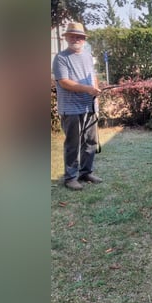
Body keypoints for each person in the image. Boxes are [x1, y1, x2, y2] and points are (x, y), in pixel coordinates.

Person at [52, 22, 102, 190]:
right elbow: (64, 82)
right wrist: (87, 89)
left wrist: (96, 95)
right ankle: (70, 178)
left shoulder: (88, 56)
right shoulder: (61, 58)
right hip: (71, 108)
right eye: (72, 36)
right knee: (73, 144)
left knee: (90, 142)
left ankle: (86, 172)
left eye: (79, 36)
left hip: (89, 106)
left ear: (83, 39)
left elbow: (92, 76)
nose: (76, 39)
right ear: (67, 38)